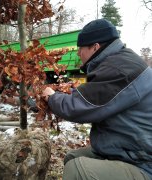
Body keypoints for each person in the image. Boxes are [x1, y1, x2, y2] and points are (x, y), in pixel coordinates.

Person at [42, 19, 152, 180]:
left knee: (77, 169)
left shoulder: (119, 69)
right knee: (71, 157)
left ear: (95, 47)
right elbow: (95, 98)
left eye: (81, 48)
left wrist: (52, 97)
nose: (78, 52)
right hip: (129, 149)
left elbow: (79, 107)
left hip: (143, 162)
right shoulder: (119, 62)